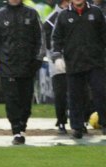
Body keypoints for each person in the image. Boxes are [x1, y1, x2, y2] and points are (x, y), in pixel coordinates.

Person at [0, 0, 45, 145]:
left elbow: (41, 39)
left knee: (25, 101)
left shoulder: (31, 14)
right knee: (12, 100)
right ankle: (16, 130)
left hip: (28, 67)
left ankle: (22, 125)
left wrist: (38, 59)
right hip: (7, 67)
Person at [52, 0, 106, 138]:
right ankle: (77, 127)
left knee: (101, 93)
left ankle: (104, 124)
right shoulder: (63, 15)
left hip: (96, 62)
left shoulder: (96, 12)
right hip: (74, 63)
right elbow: (56, 38)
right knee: (75, 96)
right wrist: (57, 56)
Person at [43, 0, 70, 134]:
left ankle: (80, 121)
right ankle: (61, 121)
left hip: (76, 61)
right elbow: (48, 44)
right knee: (60, 94)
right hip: (58, 63)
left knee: (79, 93)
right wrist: (57, 57)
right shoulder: (51, 20)